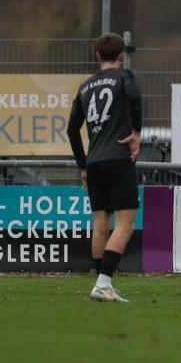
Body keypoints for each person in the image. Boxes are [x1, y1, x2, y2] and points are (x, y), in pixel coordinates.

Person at [67, 33, 143, 303]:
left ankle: (101, 283)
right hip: (118, 157)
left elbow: (71, 129)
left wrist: (82, 165)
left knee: (100, 223)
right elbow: (134, 97)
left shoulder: (85, 86)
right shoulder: (125, 77)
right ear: (122, 55)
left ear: (97, 55)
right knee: (126, 223)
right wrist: (136, 132)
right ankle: (103, 283)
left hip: (95, 161)